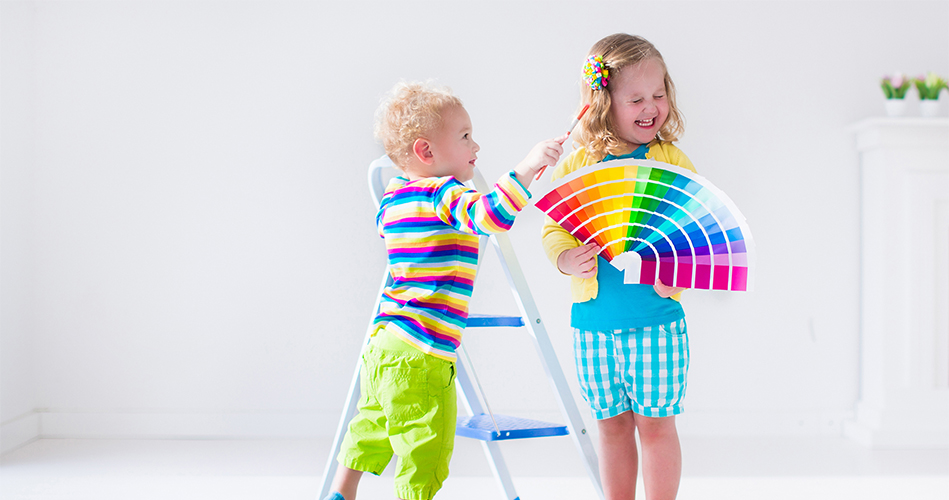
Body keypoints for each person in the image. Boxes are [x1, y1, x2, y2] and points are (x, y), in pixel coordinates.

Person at [324, 81, 565, 500]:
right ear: (426, 152)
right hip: (422, 351)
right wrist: (526, 168)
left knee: (371, 427)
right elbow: (489, 215)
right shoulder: (443, 193)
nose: (477, 145)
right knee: (426, 451)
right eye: (465, 136)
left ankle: (341, 493)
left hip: (383, 344)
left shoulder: (392, 198)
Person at [541, 34, 695, 500]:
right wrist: (566, 259)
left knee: (655, 427)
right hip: (593, 326)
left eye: (659, 94)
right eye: (636, 99)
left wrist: (677, 278)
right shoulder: (578, 164)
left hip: (656, 323)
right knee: (610, 429)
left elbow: (693, 233)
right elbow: (553, 230)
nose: (651, 107)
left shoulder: (671, 161)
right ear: (603, 101)